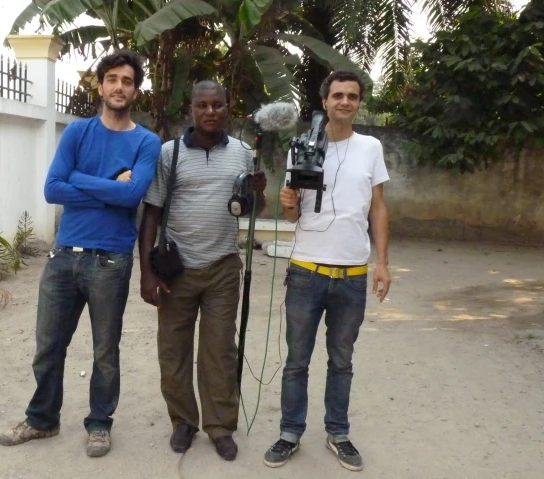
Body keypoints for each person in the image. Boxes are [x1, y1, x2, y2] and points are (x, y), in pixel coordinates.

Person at [0, 50, 162, 458]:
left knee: (105, 351)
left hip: (111, 261)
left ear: (135, 90)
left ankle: (99, 424)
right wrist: (110, 184)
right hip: (63, 258)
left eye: (127, 80)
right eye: (112, 79)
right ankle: (42, 420)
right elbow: (52, 189)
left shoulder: (147, 141)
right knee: (48, 346)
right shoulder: (77, 133)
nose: (119, 87)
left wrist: (81, 180)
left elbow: (133, 196)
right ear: (101, 85)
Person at [262, 70, 391, 471]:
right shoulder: (302, 147)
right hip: (306, 271)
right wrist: (286, 199)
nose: (345, 102)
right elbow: (292, 212)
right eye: (338, 95)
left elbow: (378, 207)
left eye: (352, 96)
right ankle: (289, 432)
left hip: (352, 274)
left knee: (342, 360)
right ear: (325, 101)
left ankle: (338, 432)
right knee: (297, 360)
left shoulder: (371, 147)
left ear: (359, 103)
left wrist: (382, 262)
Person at [138, 80, 267, 461]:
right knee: (174, 350)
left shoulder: (243, 153)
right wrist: (147, 272)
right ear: (191, 110)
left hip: (223, 267)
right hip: (177, 268)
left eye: (218, 105)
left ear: (228, 108)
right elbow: (152, 214)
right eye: (202, 105)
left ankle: (220, 426)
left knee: (219, 351)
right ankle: (183, 422)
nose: (210, 111)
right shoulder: (169, 153)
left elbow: (253, 208)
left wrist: (259, 191)